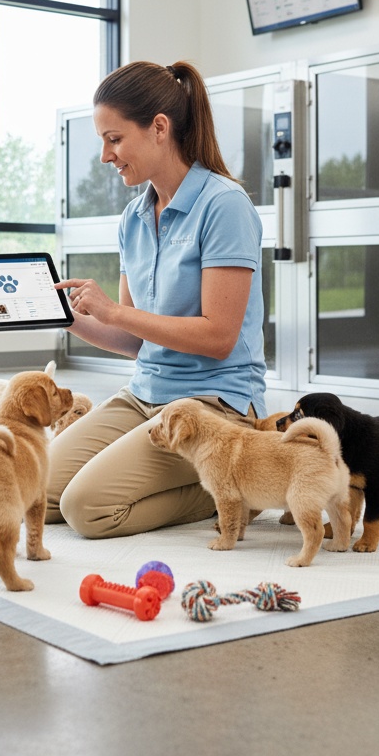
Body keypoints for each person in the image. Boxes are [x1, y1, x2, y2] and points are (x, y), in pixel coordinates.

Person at [47, 59, 267, 539]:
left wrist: (114, 310)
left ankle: (242, 486)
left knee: (87, 509)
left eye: (114, 138)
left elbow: (219, 338)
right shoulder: (133, 217)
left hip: (213, 403)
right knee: (36, 492)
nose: (105, 155)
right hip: (143, 394)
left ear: (159, 128)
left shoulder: (224, 205)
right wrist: (65, 317)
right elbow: (134, 340)